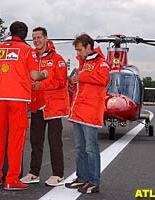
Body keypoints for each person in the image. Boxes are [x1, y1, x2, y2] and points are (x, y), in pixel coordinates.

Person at [0, 21, 48, 191]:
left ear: (10, 32)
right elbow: (34, 75)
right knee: (15, 140)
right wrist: (44, 74)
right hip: (18, 100)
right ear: (25, 35)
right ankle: (11, 179)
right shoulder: (28, 50)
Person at [20, 27, 69, 186]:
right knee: (35, 141)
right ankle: (34, 173)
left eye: (39, 37)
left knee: (55, 142)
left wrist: (40, 85)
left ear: (46, 38)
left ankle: (58, 175)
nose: (36, 41)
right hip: (36, 105)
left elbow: (61, 82)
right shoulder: (30, 57)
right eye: (33, 38)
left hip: (53, 107)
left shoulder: (58, 59)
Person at [65, 33, 110, 194]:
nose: (77, 54)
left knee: (91, 148)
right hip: (78, 112)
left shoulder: (101, 63)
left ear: (88, 47)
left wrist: (81, 76)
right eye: (76, 51)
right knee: (79, 148)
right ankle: (82, 178)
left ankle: (93, 182)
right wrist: (72, 81)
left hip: (90, 114)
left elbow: (103, 78)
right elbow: (80, 87)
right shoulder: (82, 64)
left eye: (79, 50)